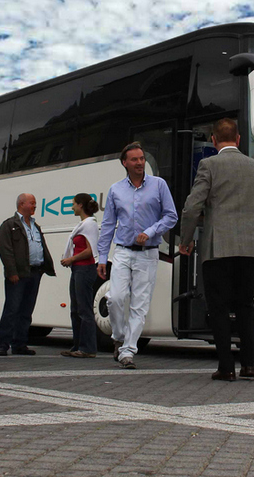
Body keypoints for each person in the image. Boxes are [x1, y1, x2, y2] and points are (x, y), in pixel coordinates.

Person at [179, 118, 254, 381]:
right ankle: (249, 365)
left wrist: (185, 240)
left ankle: (226, 367)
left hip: (218, 246)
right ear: (238, 139)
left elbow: (191, 207)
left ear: (213, 140)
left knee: (218, 306)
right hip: (251, 245)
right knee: (247, 304)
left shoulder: (208, 165)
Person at [97, 142, 178, 370]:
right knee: (115, 298)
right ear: (125, 163)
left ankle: (128, 352)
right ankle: (119, 336)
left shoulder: (159, 185)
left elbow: (171, 216)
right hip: (122, 251)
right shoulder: (116, 190)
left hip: (148, 254)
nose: (140, 163)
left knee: (139, 306)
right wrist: (102, 257)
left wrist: (151, 232)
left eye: (142, 158)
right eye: (135, 159)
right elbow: (108, 224)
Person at [0, 193, 55, 356]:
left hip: (35, 272)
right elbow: (5, 250)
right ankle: (3, 344)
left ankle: (20, 343)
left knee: (26, 310)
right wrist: (11, 271)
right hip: (18, 274)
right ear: (22, 204)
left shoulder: (36, 226)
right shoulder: (9, 225)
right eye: (32, 203)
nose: (35, 206)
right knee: (12, 308)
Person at [60, 193, 100, 358]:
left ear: (81, 206)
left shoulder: (89, 224)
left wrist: (71, 258)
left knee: (84, 309)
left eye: (74, 204)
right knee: (76, 309)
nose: (72, 207)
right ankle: (77, 345)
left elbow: (90, 250)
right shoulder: (83, 224)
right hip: (78, 269)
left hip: (84, 268)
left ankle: (88, 347)